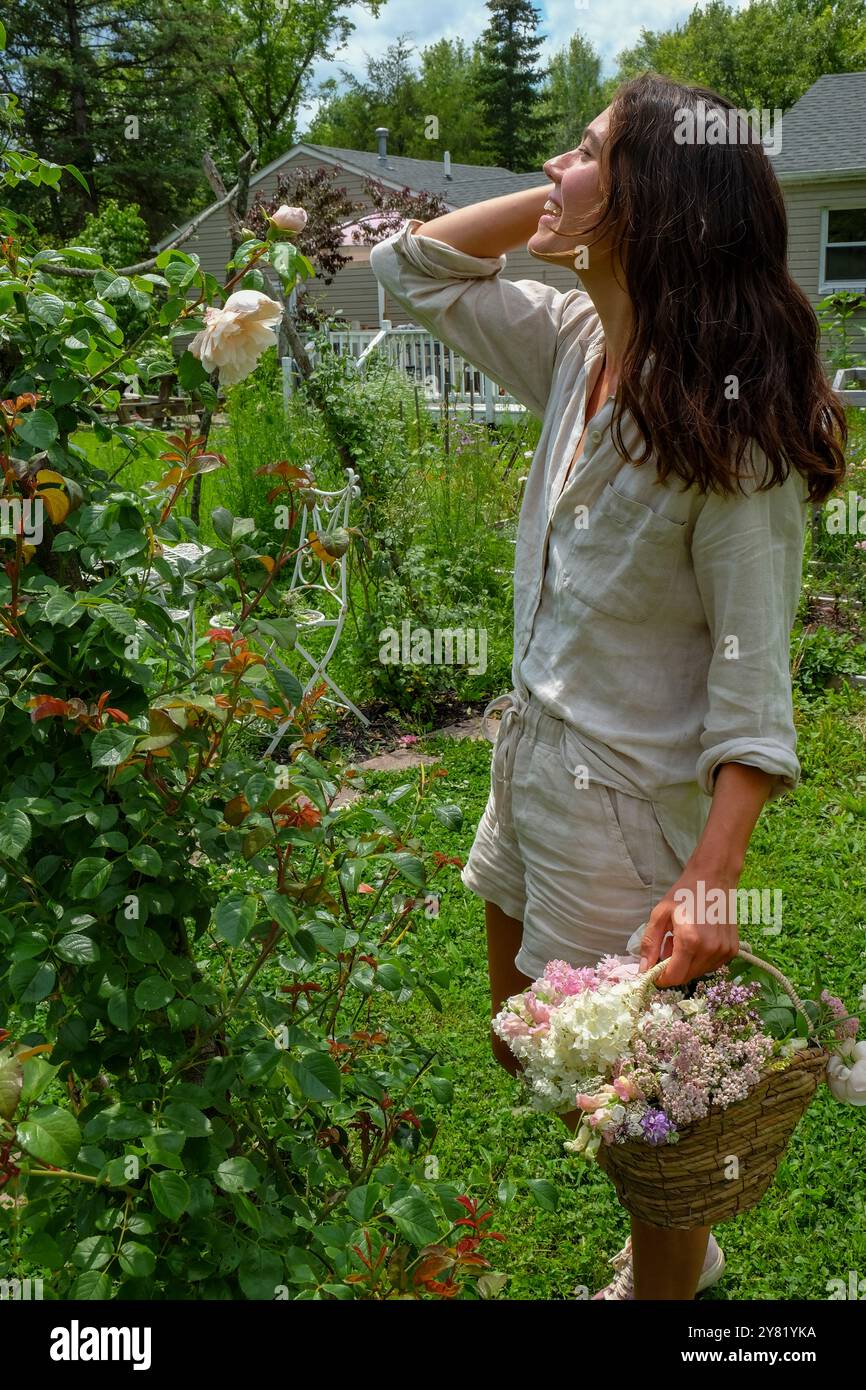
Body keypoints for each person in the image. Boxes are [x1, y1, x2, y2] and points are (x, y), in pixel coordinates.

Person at [369, 72, 847, 1299]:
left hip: (630, 812)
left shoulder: (733, 443)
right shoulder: (579, 342)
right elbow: (409, 267)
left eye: (578, 153)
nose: (550, 168)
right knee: (521, 1043)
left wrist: (710, 880)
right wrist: (578, 197)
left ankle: (665, 1279)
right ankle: (668, 1238)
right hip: (529, 768)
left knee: (650, 1118)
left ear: (652, 203)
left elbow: (754, 686)